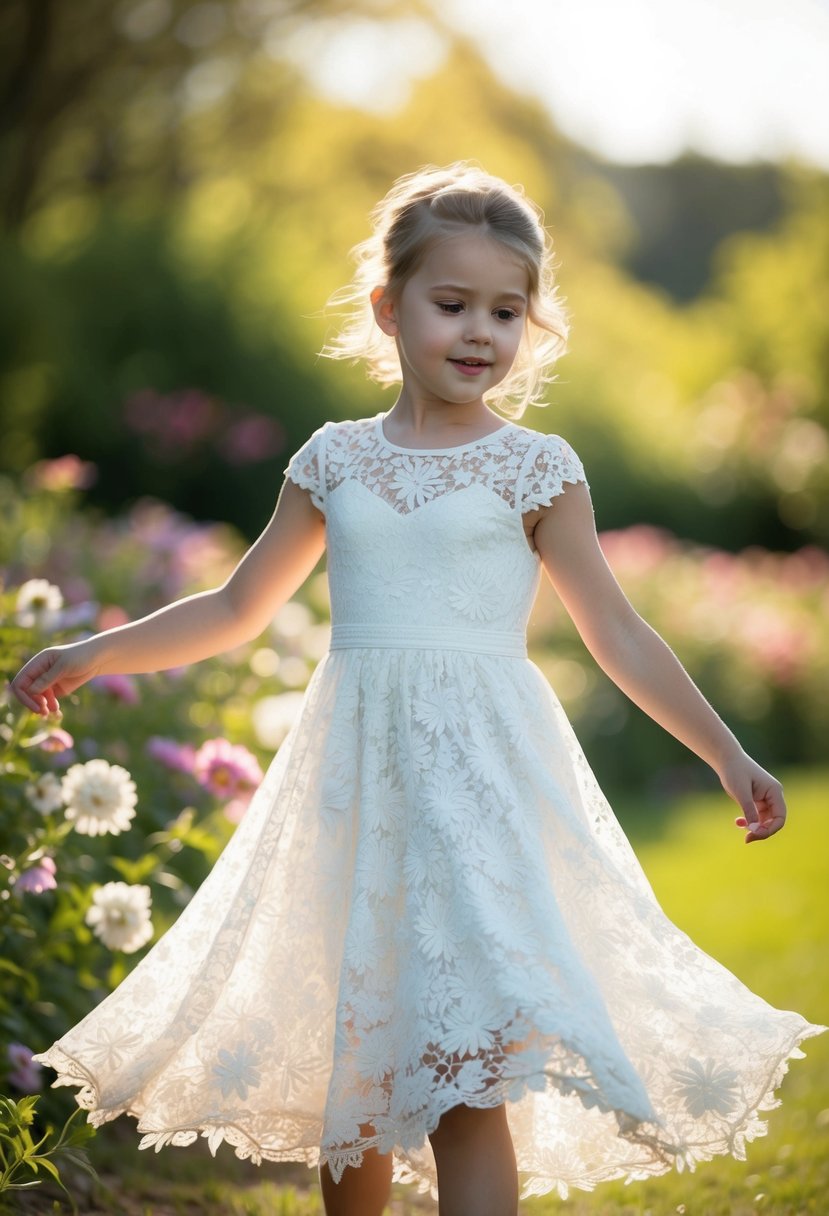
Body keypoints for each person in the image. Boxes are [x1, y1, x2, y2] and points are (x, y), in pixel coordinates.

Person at [11, 162, 824, 1216]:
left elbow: (615, 631)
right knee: (364, 1062)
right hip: (358, 787)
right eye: (453, 305)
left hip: (484, 787)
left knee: (467, 1068)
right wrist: (92, 653)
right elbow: (236, 604)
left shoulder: (537, 468)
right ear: (388, 309)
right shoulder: (333, 460)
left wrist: (726, 749)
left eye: (507, 310)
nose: (481, 332)